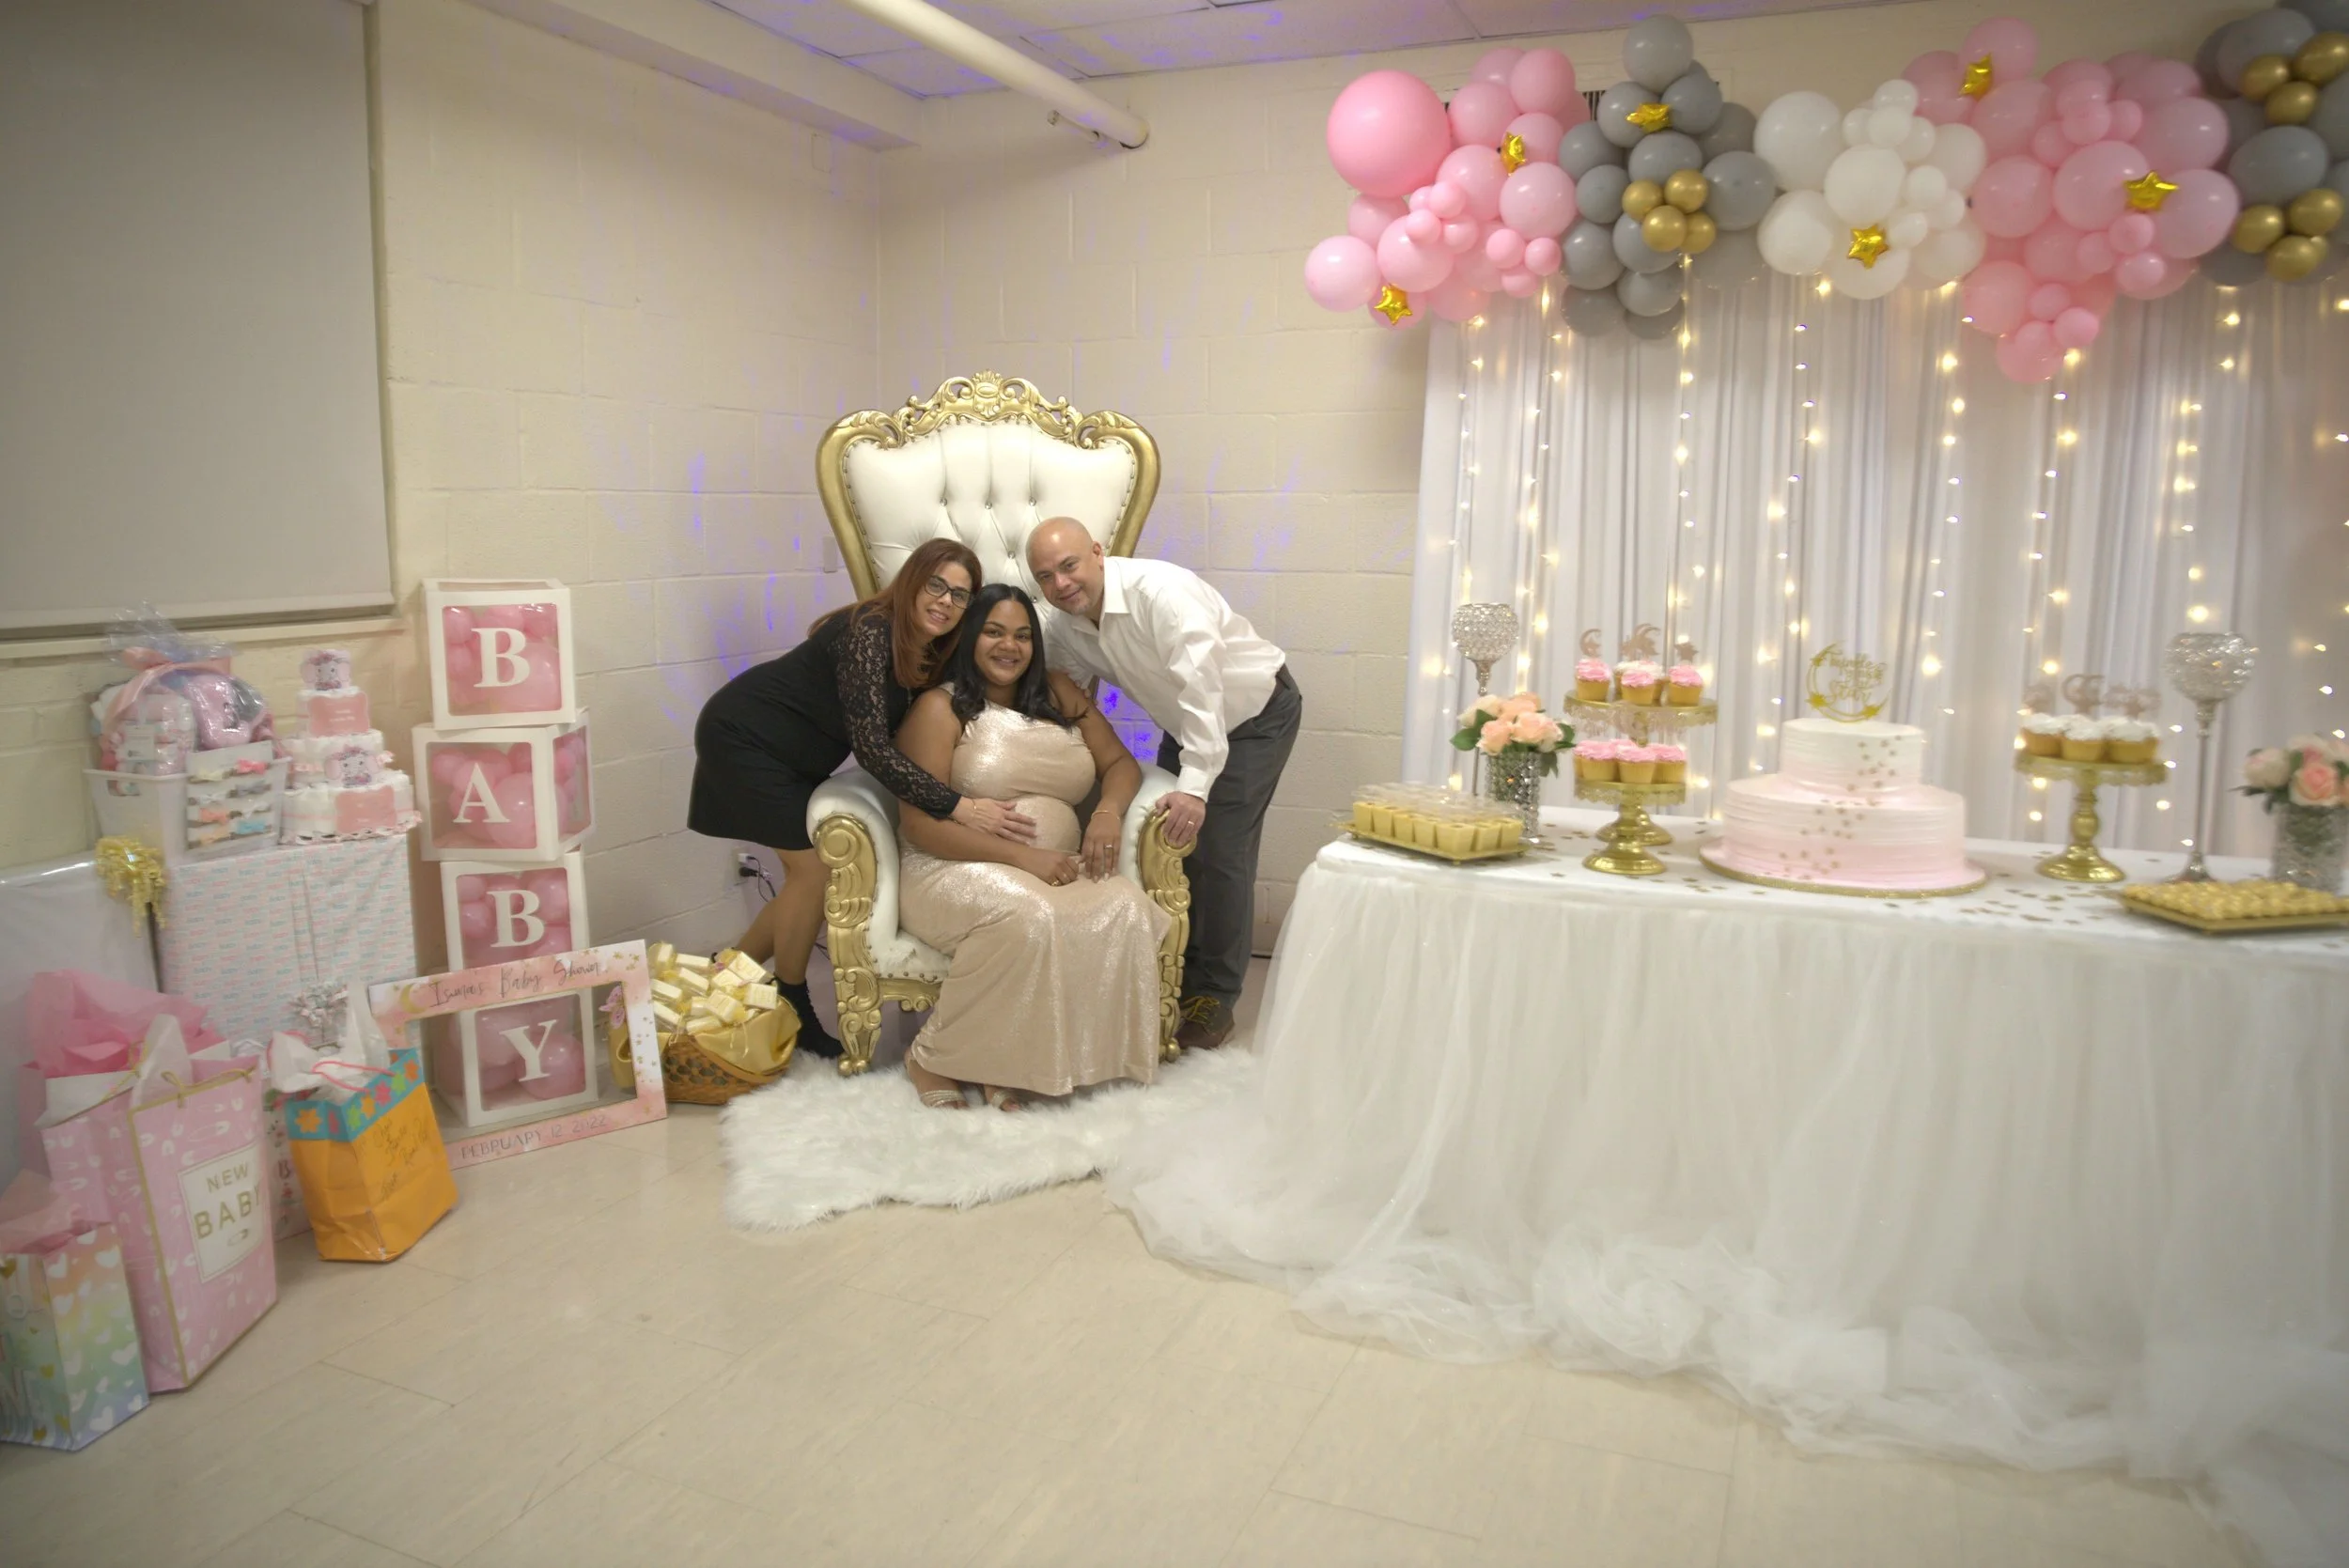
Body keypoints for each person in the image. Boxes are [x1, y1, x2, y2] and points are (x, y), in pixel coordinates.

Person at [686, 538, 1037, 1055]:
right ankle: (792, 998)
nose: (945, 601)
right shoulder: (870, 631)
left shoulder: (930, 647)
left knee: (805, 881)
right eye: (936, 585)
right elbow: (872, 748)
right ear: (911, 580)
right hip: (746, 737)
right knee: (812, 872)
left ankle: (724, 976)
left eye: (959, 595)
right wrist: (959, 807)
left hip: (791, 757)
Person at [1026, 518, 1299, 1052]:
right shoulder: (1064, 622)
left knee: (1221, 850)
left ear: (1098, 553)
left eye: (1069, 566)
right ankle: (1177, 974)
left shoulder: (1163, 594)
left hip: (1252, 715)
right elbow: (1064, 687)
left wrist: (1195, 788)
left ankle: (1213, 998)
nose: (1061, 584)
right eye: (1045, 577)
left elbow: (1204, 690)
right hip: (1183, 722)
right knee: (1174, 849)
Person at [893, 584, 1169, 1110]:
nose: (1009, 646)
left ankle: (1007, 1060)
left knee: (1127, 906)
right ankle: (929, 1056)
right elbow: (919, 825)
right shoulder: (939, 708)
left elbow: (1120, 764)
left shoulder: (1059, 692)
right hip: (950, 866)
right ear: (969, 638)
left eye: (1022, 636)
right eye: (993, 632)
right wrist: (1027, 858)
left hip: (1054, 869)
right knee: (1026, 915)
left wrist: (1107, 814)